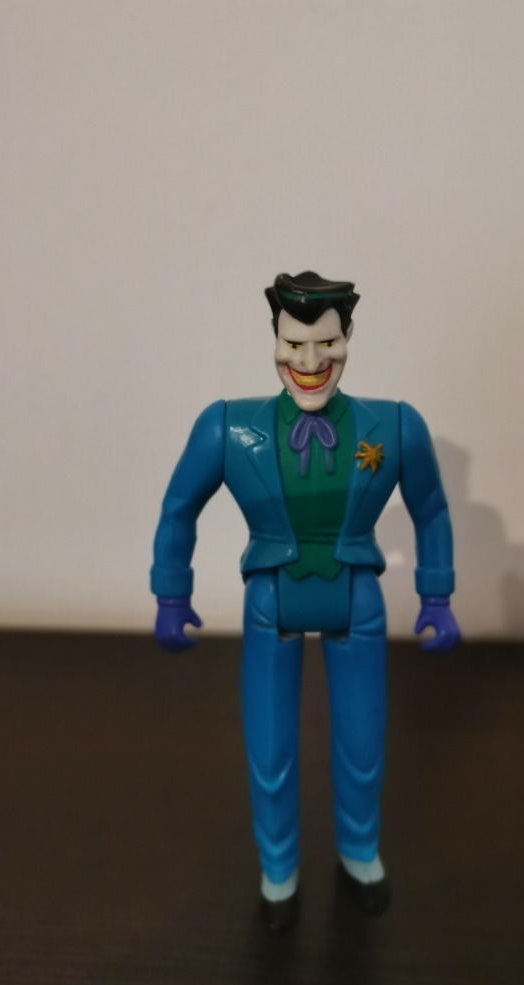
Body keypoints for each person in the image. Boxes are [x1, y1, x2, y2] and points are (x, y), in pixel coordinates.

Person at [151, 271, 460, 929]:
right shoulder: (229, 427)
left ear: (348, 339)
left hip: (357, 596)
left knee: (362, 743)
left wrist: (435, 593)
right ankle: (279, 870)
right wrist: (171, 592)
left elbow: (431, 509)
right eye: (295, 344)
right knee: (270, 750)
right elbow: (179, 507)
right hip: (271, 599)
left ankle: (359, 852)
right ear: (275, 341)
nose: (311, 361)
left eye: (327, 344)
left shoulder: (395, 426)